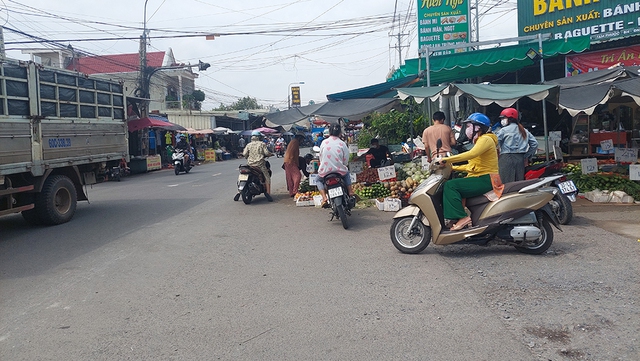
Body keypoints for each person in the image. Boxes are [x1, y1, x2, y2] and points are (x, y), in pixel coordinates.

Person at [439, 113, 500, 231]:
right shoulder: (481, 141)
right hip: (481, 176)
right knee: (457, 184)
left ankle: (462, 217)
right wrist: (453, 168)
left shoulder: (485, 139)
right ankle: (456, 219)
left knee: (451, 186)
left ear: (477, 127)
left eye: (468, 126)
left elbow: (471, 155)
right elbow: (472, 166)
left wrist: (446, 160)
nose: (466, 129)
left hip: (486, 179)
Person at [495, 107, 538, 183]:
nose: (502, 121)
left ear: (510, 118)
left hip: (506, 159)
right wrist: (526, 156)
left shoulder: (503, 130)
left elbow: (495, 144)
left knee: (506, 184)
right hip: (520, 159)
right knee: (518, 184)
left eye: (503, 118)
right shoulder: (524, 130)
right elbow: (534, 144)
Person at [317, 124, 354, 207]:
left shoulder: (324, 142)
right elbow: (346, 159)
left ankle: (324, 198)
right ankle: (350, 191)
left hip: (325, 171)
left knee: (318, 180)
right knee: (347, 173)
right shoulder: (342, 143)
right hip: (339, 170)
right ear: (340, 133)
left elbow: (321, 157)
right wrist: (344, 165)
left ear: (329, 132)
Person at [243, 130, 274, 201]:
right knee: (267, 177)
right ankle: (268, 194)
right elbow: (266, 153)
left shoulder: (248, 145)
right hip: (260, 164)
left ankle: (239, 192)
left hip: (250, 165)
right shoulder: (262, 144)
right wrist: (270, 154)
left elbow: (244, 154)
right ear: (259, 137)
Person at [282, 133, 307, 197]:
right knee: (298, 175)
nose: (302, 141)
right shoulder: (295, 142)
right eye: (302, 140)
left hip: (287, 160)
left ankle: (291, 192)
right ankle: (295, 190)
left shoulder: (293, 141)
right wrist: (293, 161)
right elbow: (292, 152)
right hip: (290, 161)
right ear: (299, 138)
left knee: (290, 177)